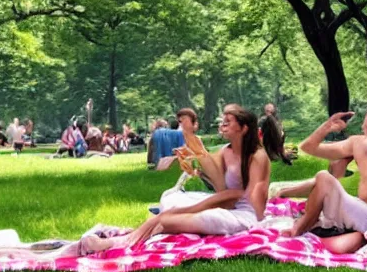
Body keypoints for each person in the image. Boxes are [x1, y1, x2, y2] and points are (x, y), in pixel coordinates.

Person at [81, 105, 271, 254]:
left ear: (244, 128)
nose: (223, 125)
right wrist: (189, 162)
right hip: (228, 206)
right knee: (170, 199)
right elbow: (220, 187)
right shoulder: (225, 152)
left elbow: (238, 195)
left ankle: (115, 243)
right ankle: (135, 234)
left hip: (246, 216)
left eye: (228, 122)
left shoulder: (257, 156)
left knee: (173, 219)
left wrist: (194, 208)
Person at [280, 98, 367, 253]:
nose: (364, 120)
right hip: (355, 212)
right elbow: (308, 147)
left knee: (323, 177)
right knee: (323, 181)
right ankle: (313, 227)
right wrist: (327, 127)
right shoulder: (358, 144)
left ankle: (298, 229)